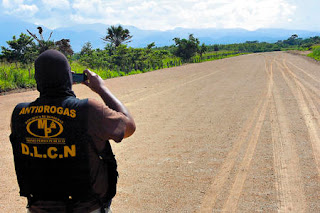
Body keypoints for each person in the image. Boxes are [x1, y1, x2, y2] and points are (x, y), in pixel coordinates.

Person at [9, 49, 136, 213]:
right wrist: (101, 88)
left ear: (37, 80)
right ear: (68, 78)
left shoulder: (19, 113)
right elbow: (129, 126)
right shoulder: (88, 109)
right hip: (87, 208)